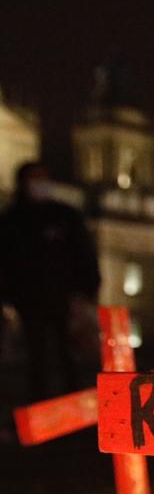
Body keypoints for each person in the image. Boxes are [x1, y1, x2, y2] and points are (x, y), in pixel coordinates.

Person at [0, 161, 102, 401]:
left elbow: (84, 253)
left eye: (43, 178)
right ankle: (40, 410)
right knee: (37, 356)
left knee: (69, 355)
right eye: (34, 178)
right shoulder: (11, 220)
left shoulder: (65, 216)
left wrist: (88, 289)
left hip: (66, 299)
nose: (39, 184)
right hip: (29, 300)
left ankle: (74, 407)